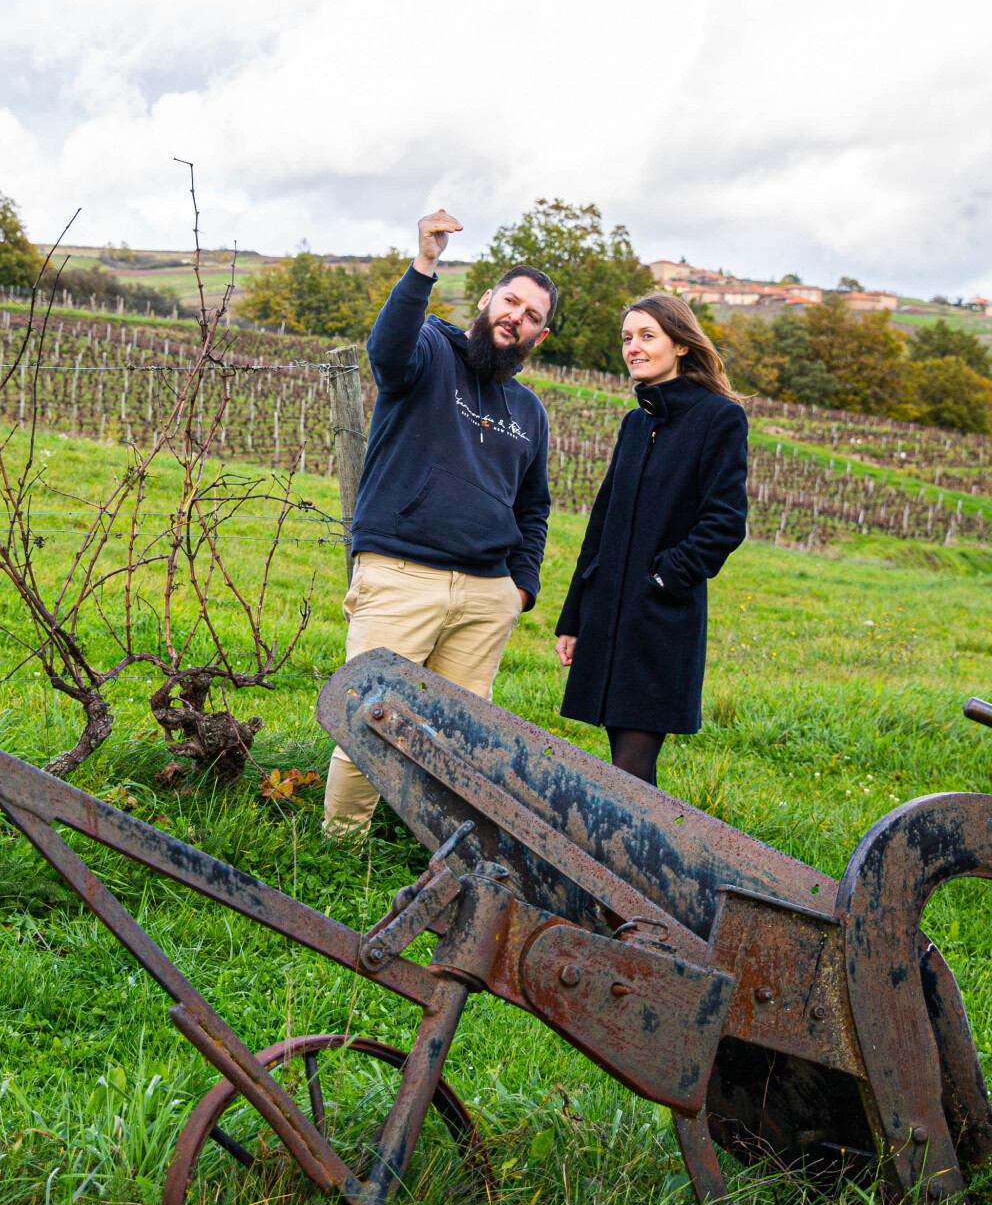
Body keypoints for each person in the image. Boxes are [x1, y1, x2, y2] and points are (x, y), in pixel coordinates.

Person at [321, 209, 556, 836]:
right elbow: (386, 352)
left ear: (540, 336)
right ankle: (338, 855)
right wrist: (423, 264)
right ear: (486, 300)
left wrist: (520, 586)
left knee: (457, 744)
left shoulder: (530, 411)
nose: (517, 318)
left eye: (533, 316)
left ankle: (436, 856)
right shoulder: (429, 350)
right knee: (368, 721)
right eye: (511, 302)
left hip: (486, 595)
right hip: (402, 574)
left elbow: (534, 507)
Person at [553, 294, 749, 788]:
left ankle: (624, 863)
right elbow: (601, 524)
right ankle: (625, 860)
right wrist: (574, 617)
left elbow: (725, 521)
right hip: (608, 614)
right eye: (626, 338)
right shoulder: (635, 423)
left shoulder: (718, 417)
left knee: (631, 770)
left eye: (647, 336)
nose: (633, 348)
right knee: (623, 764)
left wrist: (662, 578)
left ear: (681, 345)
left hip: (660, 619)